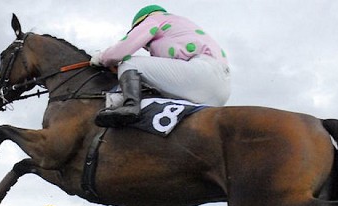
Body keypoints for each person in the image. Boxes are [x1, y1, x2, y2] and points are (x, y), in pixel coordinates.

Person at [89, 5, 231, 127]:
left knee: (130, 62)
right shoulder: (180, 24)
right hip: (221, 90)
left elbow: (120, 52)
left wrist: (102, 58)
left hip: (202, 72)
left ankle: (130, 108)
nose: (147, 47)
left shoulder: (154, 20)